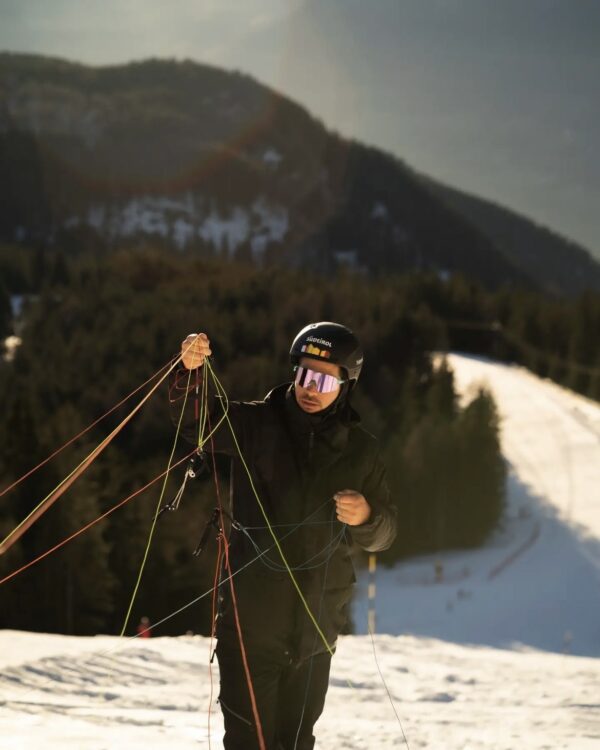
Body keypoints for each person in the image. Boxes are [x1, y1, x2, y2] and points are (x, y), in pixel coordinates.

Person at [170, 322, 397, 750]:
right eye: (304, 374)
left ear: (346, 385)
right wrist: (190, 373)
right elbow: (197, 424)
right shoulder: (256, 424)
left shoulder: (361, 451)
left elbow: (385, 533)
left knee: (296, 744)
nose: (311, 387)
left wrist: (367, 514)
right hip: (250, 628)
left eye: (325, 379)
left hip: (316, 635)